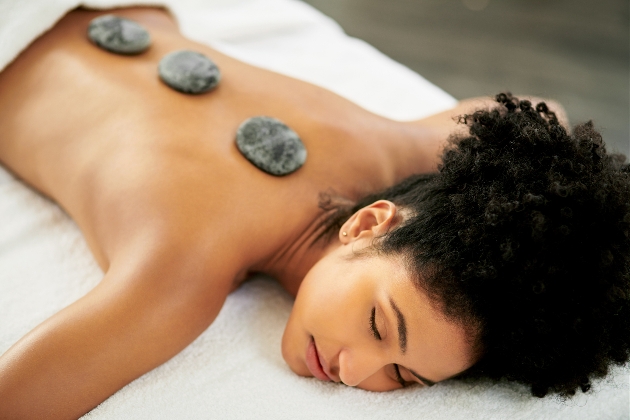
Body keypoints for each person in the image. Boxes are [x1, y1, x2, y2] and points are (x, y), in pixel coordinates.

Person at [0, 6, 628, 419]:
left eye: (404, 378)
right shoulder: (182, 273)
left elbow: (544, 116)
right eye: (381, 327)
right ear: (368, 223)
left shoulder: (402, 146)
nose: (353, 370)